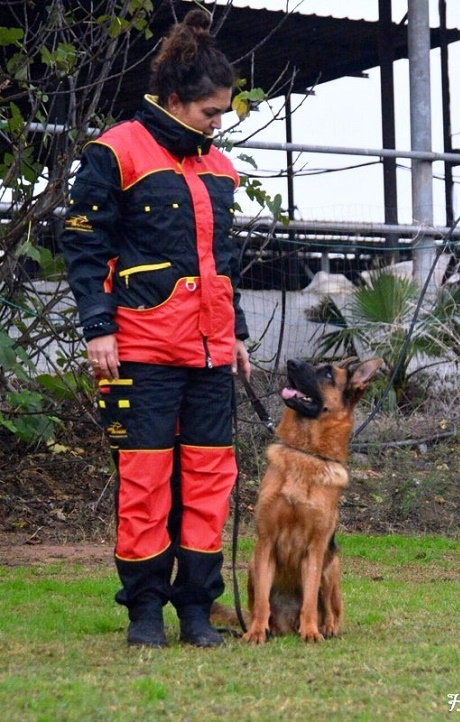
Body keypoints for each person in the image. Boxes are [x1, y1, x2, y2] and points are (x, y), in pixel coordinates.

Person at [60, 8, 251, 648]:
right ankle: (145, 612)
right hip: (139, 348)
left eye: (221, 115)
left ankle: (197, 610)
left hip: (210, 354)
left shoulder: (221, 168)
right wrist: (96, 328)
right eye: (209, 113)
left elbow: (223, 260)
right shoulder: (114, 150)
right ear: (174, 99)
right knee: (144, 481)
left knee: (208, 481)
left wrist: (238, 335)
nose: (217, 125)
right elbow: (84, 247)